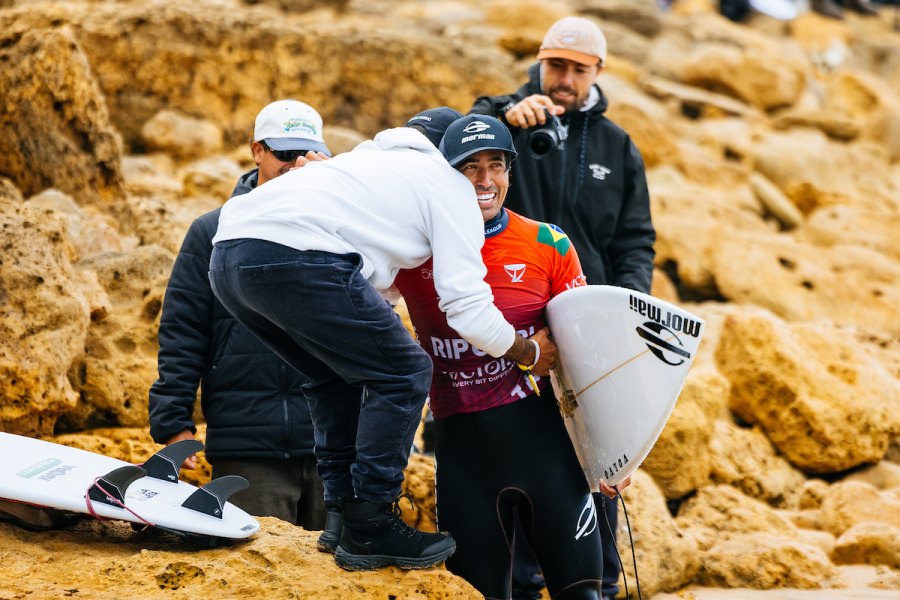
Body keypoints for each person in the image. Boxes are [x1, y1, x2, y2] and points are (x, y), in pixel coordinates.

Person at [206, 115, 552, 571]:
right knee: (406, 371)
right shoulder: (445, 183)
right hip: (295, 256)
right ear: (447, 155)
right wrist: (527, 351)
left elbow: (367, 279)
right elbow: (465, 306)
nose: (477, 176)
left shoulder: (362, 165)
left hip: (228, 256)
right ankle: (372, 522)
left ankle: (341, 517)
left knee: (333, 377)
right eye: (468, 163)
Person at [470, 16, 655, 600]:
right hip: (514, 330)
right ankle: (520, 584)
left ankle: (593, 583)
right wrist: (502, 120)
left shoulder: (617, 146)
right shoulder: (502, 116)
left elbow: (634, 239)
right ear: (540, 62)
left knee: (595, 463)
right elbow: (457, 149)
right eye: (556, 66)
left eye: (578, 69)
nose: (565, 79)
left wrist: (630, 312)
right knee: (521, 459)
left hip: (593, 332)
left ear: (598, 72)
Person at [394, 113, 610, 599]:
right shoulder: (411, 250)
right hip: (463, 455)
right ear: (446, 175)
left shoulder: (548, 243)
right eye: (470, 168)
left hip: (548, 449)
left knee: (583, 594)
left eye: (496, 165)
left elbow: (588, 359)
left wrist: (614, 453)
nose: (485, 181)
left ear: (511, 171)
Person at [148, 100, 333, 533]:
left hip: (335, 445)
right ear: (257, 151)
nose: (297, 165)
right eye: (286, 154)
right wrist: (173, 421)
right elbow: (183, 329)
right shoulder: (212, 231)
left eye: (308, 155)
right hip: (248, 448)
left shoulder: (343, 228)